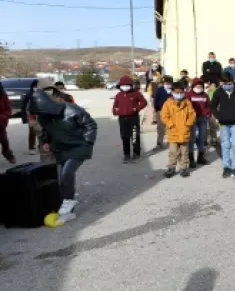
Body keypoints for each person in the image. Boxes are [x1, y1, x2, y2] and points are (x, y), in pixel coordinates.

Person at [29, 78, 97, 220]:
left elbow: (90, 124)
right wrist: (46, 141)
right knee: (61, 179)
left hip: (78, 146)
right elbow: (47, 131)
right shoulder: (43, 115)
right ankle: (69, 206)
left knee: (67, 173)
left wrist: (88, 141)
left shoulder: (71, 109)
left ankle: (67, 202)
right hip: (60, 149)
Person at [211, 73, 235, 179]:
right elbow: (212, 106)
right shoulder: (218, 92)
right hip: (223, 123)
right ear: (221, 83)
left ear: (232, 81)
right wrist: (218, 116)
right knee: (225, 144)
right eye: (225, 83)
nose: (227, 85)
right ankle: (226, 167)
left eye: (229, 83)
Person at [161, 81, 196, 178]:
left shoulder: (187, 103)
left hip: (185, 131)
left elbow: (192, 115)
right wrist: (170, 125)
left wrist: (188, 124)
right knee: (173, 151)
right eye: (177, 92)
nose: (179, 94)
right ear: (172, 92)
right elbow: (164, 116)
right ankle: (171, 168)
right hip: (173, 132)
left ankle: (183, 168)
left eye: (181, 92)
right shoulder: (168, 103)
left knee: (184, 152)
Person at [112, 75, 147, 163]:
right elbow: (115, 106)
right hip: (122, 119)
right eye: (123, 85)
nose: (125, 86)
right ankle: (126, 154)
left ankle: (136, 153)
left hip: (133, 118)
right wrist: (116, 111)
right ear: (120, 86)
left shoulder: (136, 93)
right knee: (125, 136)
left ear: (131, 85)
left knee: (135, 136)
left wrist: (136, 108)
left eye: (127, 85)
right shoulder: (118, 95)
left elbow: (144, 102)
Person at [186, 78, 211, 168]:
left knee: (202, 138)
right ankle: (191, 159)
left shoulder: (205, 95)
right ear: (193, 86)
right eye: (197, 86)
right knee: (191, 139)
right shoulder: (188, 95)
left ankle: (200, 157)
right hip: (192, 119)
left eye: (200, 86)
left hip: (202, 119)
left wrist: (208, 114)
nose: (199, 88)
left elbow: (208, 106)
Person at [153, 75, 173, 150]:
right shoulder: (159, 89)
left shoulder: (174, 89)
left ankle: (171, 142)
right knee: (160, 128)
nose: (167, 84)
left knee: (171, 127)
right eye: (165, 83)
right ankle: (159, 143)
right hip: (161, 111)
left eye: (168, 83)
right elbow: (156, 101)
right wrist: (157, 110)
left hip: (172, 112)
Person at [0, 82, 16, 164]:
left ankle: (8, 154)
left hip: (1, 123)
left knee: (4, 141)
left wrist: (2, 117)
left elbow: (8, 110)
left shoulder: (4, 96)